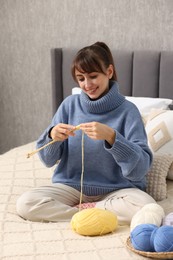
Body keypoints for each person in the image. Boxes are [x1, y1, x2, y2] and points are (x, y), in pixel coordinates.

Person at [16, 42, 156, 225]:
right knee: (26, 203)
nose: (87, 84)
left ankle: (90, 212)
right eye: (81, 78)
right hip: (71, 187)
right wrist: (52, 136)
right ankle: (86, 215)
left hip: (117, 191)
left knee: (146, 205)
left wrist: (112, 137)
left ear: (109, 72)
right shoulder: (69, 105)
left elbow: (140, 169)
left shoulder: (129, 111)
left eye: (93, 76)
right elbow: (47, 160)